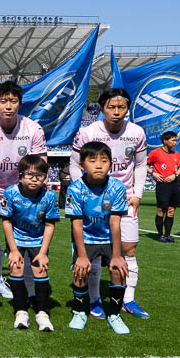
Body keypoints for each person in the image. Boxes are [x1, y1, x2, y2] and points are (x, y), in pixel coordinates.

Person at [70, 88, 149, 320]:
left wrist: (138, 194)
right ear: (102, 108)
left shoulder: (136, 132)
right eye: (111, 107)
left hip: (124, 196)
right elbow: (74, 164)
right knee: (94, 251)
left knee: (129, 249)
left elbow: (141, 164)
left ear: (127, 109)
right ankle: (95, 299)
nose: (116, 112)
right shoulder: (88, 132)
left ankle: (128, 299)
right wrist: (83, 192)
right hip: (93, 199)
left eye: (121, 107)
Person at [0, 81, 47, 301]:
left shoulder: (33, 128)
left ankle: (30, 293)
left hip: (22, 192)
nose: (8, 106)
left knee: (27, 243)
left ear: (20, 104)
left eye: (13, 101)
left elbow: (41, 162)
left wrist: (35, 190)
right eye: (3, 101)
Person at [66, 141, 131, 335]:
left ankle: (114, 315)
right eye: (92, 160)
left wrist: (117, 255)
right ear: (82, 165)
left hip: (109, 239)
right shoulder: (75, 189)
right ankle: (80, 311)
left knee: (118, 270)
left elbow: (115, 223)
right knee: (80, 272)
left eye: (104, 160)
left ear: (111, 164)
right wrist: (81, 256)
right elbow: (77, 224)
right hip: (86, 238)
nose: (99, 165)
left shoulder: (117, 187)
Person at [0, 155, 59, 332]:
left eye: (39, 175)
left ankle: (42, 312)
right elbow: (6, 221)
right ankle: (20, 311)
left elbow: (50, 225)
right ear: (20, 176)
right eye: (29, 175)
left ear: (45, 177)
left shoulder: (49, 196)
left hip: (38, 240)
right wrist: (13, 250)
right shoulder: (10, 193)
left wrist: (43, 252)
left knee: (40, 271)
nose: (34, 179)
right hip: (16, 239)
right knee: (16, 269)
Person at [147, 130, 180, 243]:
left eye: (176, 140)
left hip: (174, 184)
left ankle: (168, 235)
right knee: (161, 210)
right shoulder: (155, 152)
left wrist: (175, 175)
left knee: (171, 210)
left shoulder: (176, 154)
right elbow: (144, 164)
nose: (175, 142)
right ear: (165, 141)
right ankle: (160, 235)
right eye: (173, 140)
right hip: (162, 185)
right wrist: (153, 173)